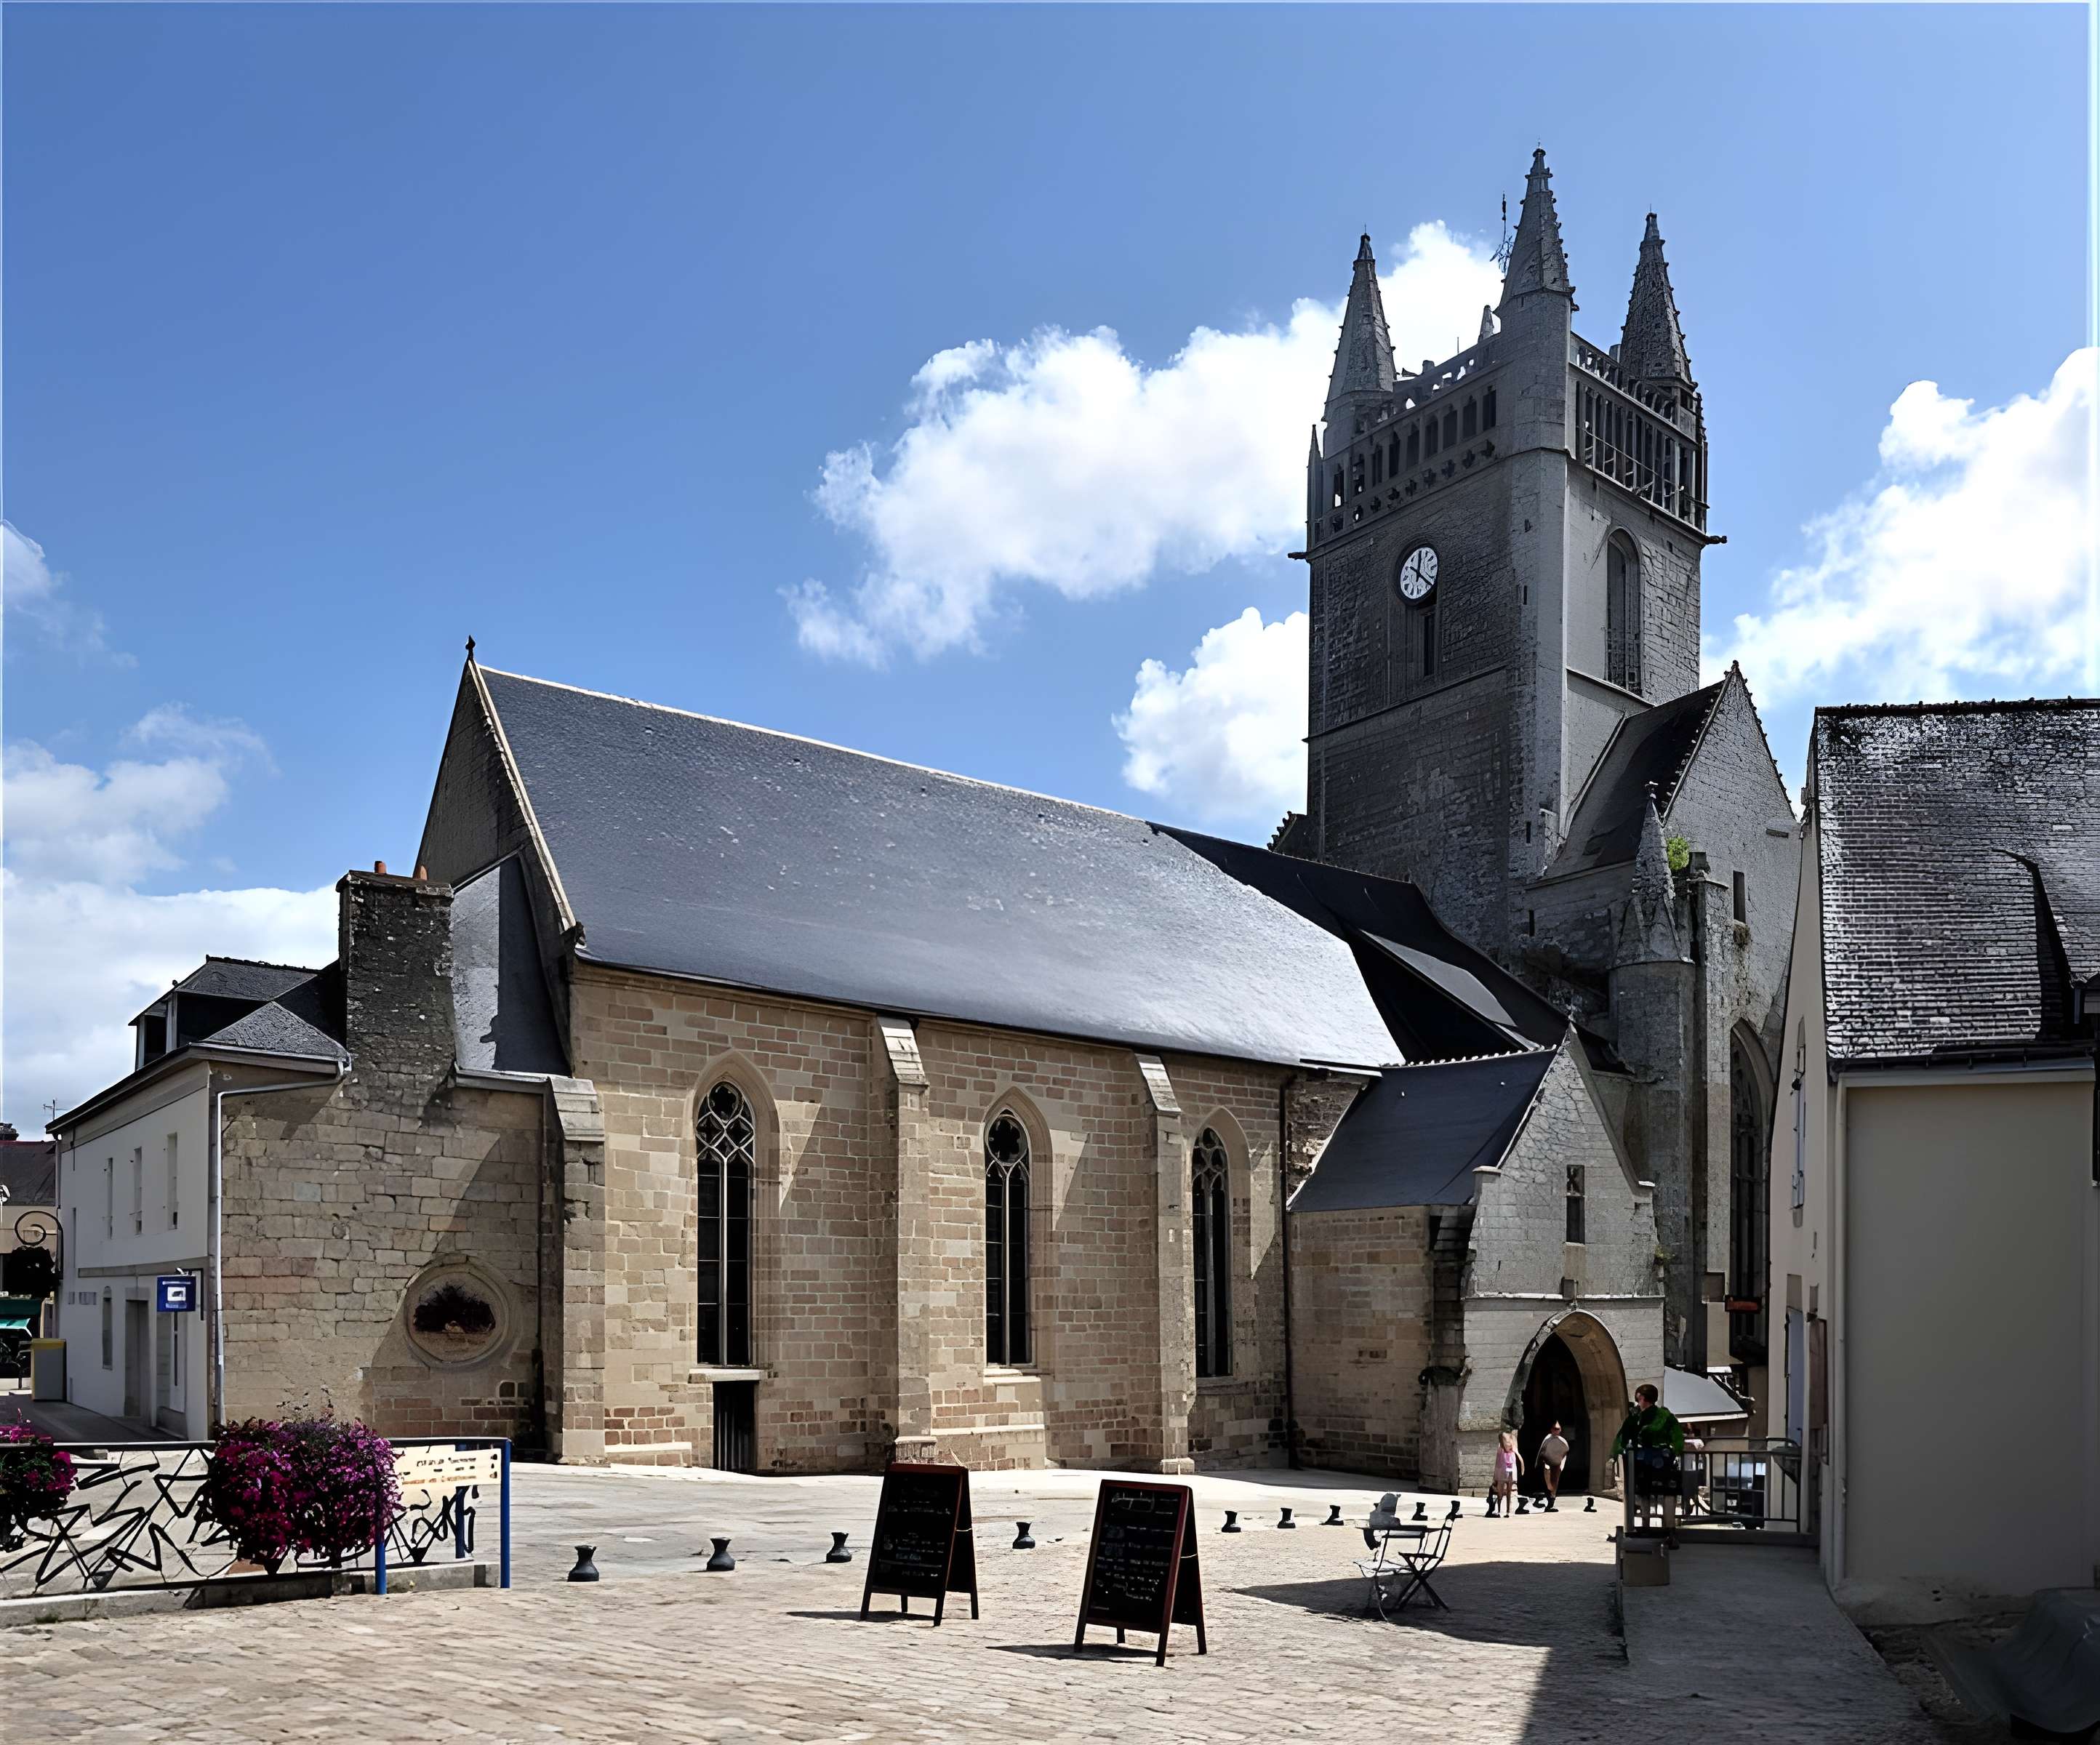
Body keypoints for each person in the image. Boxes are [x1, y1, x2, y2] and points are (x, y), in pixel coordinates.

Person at [1610, 1383, 1686, 1545]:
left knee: (1643, 1493)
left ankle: (1644, 1526)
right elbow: (1678, 1439)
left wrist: (1616, 1453)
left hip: (1642, 1463)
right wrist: (1675, 1451)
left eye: (1638, 1399)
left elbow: (1623, 1438)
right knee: (1668, 1494)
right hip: (1664, 1463)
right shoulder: (1666, 1416)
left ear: (1642, 1398)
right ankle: (1669, 1530)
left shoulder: (1637, 1418)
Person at [1536, 1421, 1571, 1510]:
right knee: (1547, 1484)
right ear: (1551, 1429)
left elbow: (1565, 1454)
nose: (1556, 1431)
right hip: (1547, 1466)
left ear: (1560, 1430)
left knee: (1555, 1485)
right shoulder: (1547, 1439)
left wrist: (1561, 1466)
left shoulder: (1563, 1441)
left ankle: (1551, 1504)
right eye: (1555, 1429)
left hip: (1557, 1466)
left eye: (1558, 1429)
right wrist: (1542, 1464)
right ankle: (1548, 1503)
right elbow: (1542, 1452)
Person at [1489, 1429, 1523, 1517]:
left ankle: (1508, 1511)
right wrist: (1496, 1477)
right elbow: (1498, 1463)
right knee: (1500, 1494)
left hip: (1510, 1475)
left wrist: (1516, 1477)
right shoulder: (1500, 1451)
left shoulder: (1513, 1451)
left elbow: (1517, 1462)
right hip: (1501, 1475)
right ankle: (1499, 1511)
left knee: (1509, 1493)